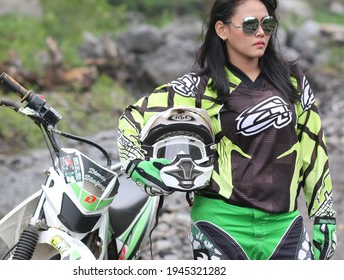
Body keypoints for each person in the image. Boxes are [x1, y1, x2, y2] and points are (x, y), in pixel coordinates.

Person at [117, 0, 337, 260]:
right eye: (250, 25)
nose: (261, 33)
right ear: (222, 29)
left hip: (285, 226)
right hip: (220, 226)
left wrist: (323, 213)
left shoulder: (293, 81)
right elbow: (132, 118)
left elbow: (312, 148)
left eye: (268, 24)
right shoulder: (199, 87)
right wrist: (136, 165)